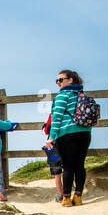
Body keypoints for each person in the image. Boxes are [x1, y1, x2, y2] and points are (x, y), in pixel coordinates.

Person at [49, 69, 91, 206]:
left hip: (67, 133)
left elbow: (56, 118)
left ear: (70, 80)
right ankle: (78, 196)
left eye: (61, 80)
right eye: (57, 80)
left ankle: (66, 198)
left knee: (68, 167)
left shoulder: (62, 96)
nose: (58, 83)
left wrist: (51, 137)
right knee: (80, 165)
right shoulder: (82, 94)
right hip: (85, 133)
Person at [42, 113, 64, 202]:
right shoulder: (70, 112)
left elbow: (45, 131)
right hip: (67, 143)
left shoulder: (53, 114)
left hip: (54, 148)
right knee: (68, 169)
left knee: (57, 173)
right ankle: (68, 193)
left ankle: (61, 194)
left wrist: (44, 125)